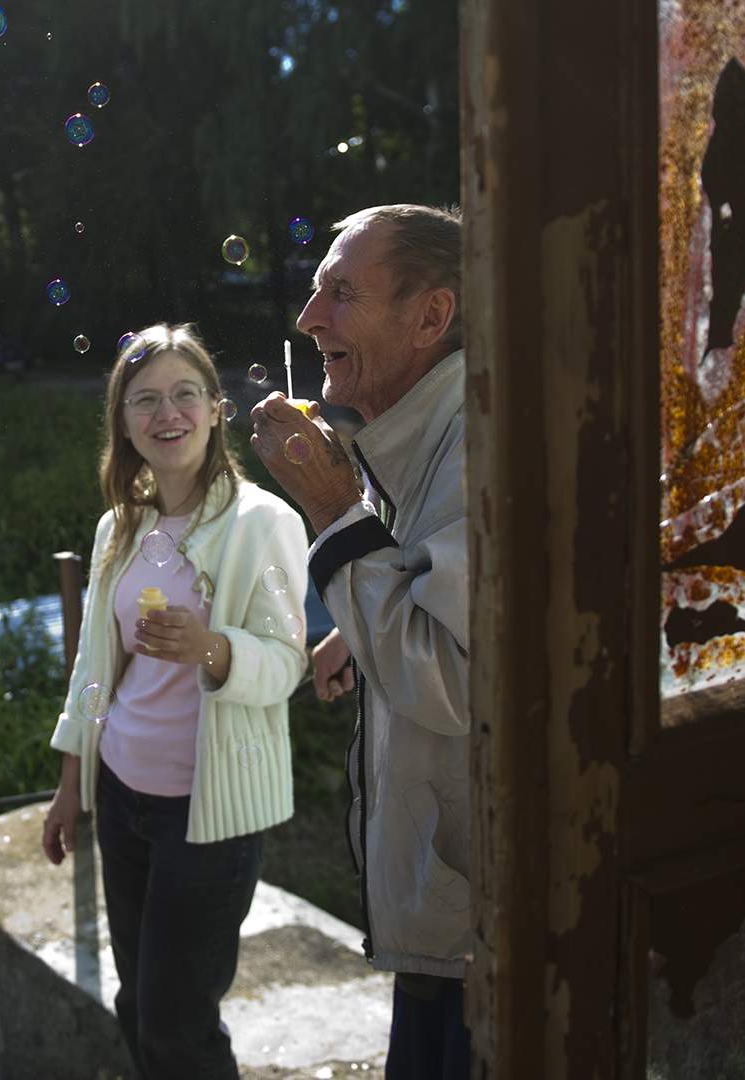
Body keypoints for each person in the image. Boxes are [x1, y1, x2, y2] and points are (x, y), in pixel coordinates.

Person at [41, 323, 311, 1079]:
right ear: (124, 422)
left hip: (209, 813)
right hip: (123, 795)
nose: (169, 414)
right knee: (137, 1005)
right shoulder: (118, 525)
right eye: (146, 399)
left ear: (218, 408)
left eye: (185, 394)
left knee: (177, 1024)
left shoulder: (264, 523)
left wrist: (212, 648)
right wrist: (72, 785)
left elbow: (288, 662)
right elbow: (97, 668)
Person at [247, 204, 472, 1079]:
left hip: (479, 940)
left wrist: (334, 514)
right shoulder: (422, 431)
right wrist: (357, 623)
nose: (310, 320)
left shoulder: (473, 445)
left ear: (430, 317)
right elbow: (443, 587)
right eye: (314, 293)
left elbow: (453, 677)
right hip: (441, 921)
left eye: (341, 293)